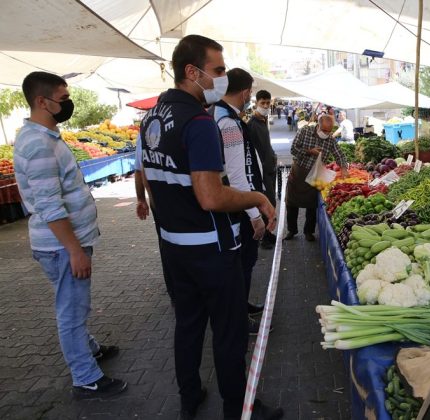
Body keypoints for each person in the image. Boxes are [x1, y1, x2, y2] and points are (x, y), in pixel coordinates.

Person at [138, 35, 282, 420]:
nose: (222, 77)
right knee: (229, 330)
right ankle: (238, 407)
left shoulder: (153, 117)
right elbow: (211, 196)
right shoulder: (198, 122)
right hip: (211, 248)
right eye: (217, 71)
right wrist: (258, 199)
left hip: (173, 247)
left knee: (188, 324)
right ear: (192, 72)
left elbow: (149, 179)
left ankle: (190, 395)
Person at [13, 72, 126, 399]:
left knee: (72, 303)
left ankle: (89, 349)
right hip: (61, 247)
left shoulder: (46, 138)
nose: (68, 105)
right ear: (41, 101)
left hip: (61, 245)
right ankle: (86, 377)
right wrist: (74, 250)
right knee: (71, 311)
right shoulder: (38, 144)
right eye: (63, 100)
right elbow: (49, 205)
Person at [211, 68, 267, 334]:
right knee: (242, 264)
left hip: (238, 205)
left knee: (243, 264)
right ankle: (239, 319)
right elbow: (237, 175)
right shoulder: (229, 124)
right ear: (245, 91)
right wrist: (255, 215)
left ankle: (242, 307)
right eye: (251, 92)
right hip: (240, 208)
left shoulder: (222, 115)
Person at [286, 114, 348, 241]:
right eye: (324, 130)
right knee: (291, 203)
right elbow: (293, 149)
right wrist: (309, 151)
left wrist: (343, 168)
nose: (326, 133)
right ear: (318, 125)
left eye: (329, 131)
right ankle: (291, 230)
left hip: (317, 174)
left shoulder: (330, 139)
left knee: (312, 204)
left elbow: (339, 154)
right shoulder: (305, 131)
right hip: (299, 171)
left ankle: (309, 231)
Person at [134, 133, 176, 306]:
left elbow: (139, 169)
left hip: (160, 202)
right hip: (170, 203)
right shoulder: (189, 122)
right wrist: (142, 199)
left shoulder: (145, 130)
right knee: (172, 248)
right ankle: (177, 292)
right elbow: (140, 169)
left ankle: (176, 292)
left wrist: (142, 199)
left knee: (168, 246)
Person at [248, 89, 278, 250]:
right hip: (261, 172)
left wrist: (273, 156)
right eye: (262, 103)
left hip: (269, 169)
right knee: (267, 203)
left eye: (268, 103)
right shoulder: (252, 125)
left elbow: (266, 145)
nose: (265, 105)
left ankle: (268, 234)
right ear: (256, 103)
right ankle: (264, 238)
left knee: (272, 201)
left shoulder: (263, 121)